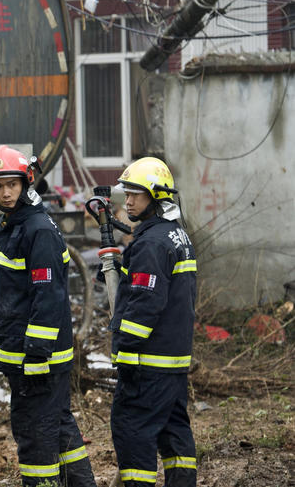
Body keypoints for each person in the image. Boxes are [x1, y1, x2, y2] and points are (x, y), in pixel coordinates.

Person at [0, 145, 95, 487]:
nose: (6, 192)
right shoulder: (15, 224)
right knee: (57, 424)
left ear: (25, 182)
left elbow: (49, 295)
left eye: (11, 184)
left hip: (36, 357)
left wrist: (36, 355)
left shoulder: (36, 229)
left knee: (35, 433)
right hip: (27, 353)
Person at [110, 157, 197, 486]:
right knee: (175, 436)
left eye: (136, 194)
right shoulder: (178, 236)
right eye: (127, 193)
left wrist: (126, 349)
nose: (128, 200)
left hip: (148, 363)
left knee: (132, 430)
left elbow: (146, 303)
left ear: (157, 197)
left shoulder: (151, 243)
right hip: (174, 361)